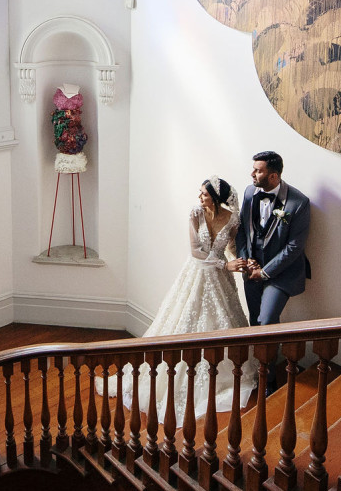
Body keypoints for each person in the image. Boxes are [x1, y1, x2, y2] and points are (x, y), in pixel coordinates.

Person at [104, 177, 255, 423]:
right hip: (197, 272)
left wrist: (242, 261)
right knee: (184, 317)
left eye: (204, 194)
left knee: (224, 319)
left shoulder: (232, 219)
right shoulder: (195, 214)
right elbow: (196, 250)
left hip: (220, 279)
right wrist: (223, 265)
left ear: (216, 199)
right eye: (200, 193)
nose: (199, 197)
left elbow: (231, 248)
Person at [234, 151, 310, 328]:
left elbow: (295, 246)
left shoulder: (298, 203)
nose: (252, 174)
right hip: (251, 270)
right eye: (253, 169)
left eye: (258, 171)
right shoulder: (249, 192)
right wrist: (247, 262)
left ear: (273, 176)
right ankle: (263, 356)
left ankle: (272, 357)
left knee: (266, 320)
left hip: (281, 273)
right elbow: (242, 230)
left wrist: (265, 272)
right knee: (254, 319)